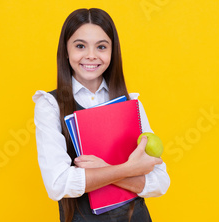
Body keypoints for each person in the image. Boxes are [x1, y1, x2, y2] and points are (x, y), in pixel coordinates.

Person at [32, 8, 170, 222]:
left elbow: (160, 182)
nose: (91, 55)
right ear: (66, 51)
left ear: (112, 52)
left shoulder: (132, 103)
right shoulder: (50, 105)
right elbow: (58, 184)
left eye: (101, 47)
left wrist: (104, 170)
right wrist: (129, 169)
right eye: (80, 46)